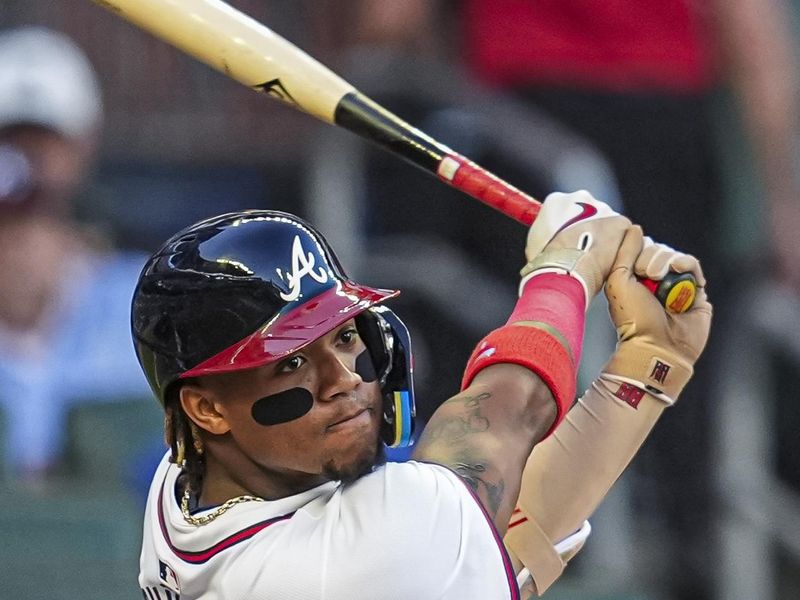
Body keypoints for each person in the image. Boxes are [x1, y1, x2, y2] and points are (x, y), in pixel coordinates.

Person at [132, 190, 710, 598]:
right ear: (206, 409)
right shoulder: (325, 569)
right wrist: (562, 272)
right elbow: (503, 422)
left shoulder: (182, 487)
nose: (345, 381)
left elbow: (494, 540)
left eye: (344, 338)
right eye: (293, 365)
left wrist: (647, 365)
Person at [0, 26, 150, 478]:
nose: (27, 157)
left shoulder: (145, 300)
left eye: (46, 138)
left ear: (83, 144)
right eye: (11, 136)